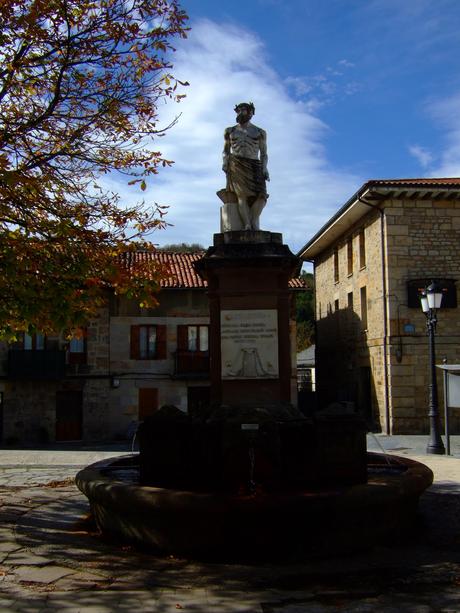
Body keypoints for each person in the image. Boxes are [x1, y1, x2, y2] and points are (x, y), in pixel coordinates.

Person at [222, 102, 269, 230]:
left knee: (262, 196)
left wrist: (265, 168)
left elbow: (264, 153)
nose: (241, 113)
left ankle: (253, 220)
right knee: (241, 196)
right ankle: (248, 224)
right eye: (239, 110)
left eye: (244, 110)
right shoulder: (229, 131)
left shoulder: (260, 132)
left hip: (255, 164)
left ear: (251, 113)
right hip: (236, 164)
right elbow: (226, 150)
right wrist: (225, 163)